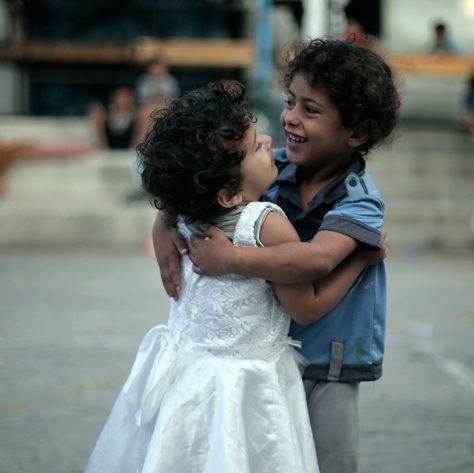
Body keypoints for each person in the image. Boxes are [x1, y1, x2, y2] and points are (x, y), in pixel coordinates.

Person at [84, 82, 387, 473]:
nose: (270, 138)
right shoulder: (267, 222)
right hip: (249, 388)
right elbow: (306, 302)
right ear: (228, 193)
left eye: (308, 108)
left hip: (188, 379)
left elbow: (178, 184)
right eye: (257, 145)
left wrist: (165, 222)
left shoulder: (198, 202)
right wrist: (363, 258)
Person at [151, 37, 399, 473]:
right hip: (266, 357)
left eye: (311, 109)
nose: (289, 118)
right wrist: (163, 222)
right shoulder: (273, 166)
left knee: (326, 461)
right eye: (290, 101)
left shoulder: (358, 201)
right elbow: (204, 177)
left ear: (356, 132)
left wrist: (232, 261)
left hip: (327, 359)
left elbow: (317, 260)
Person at [133, 59, 181, 145]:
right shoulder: (143, 81)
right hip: (146, 109)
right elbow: (140, 100)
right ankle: (139, 143)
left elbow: (172, 99)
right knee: (146, 113)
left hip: (165, 108)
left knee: (159, 111)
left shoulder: (170, 81)